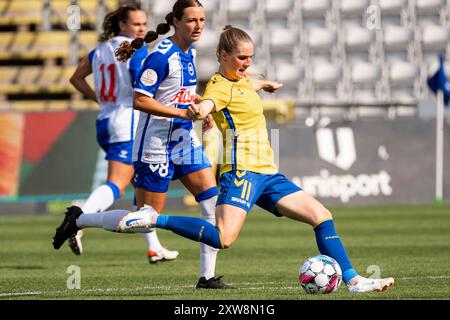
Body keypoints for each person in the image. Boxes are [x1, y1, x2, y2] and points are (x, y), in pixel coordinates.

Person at [53, 24, 394, 292]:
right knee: (223, 238)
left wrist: (265, 83)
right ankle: (155, 220)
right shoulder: (218, 86)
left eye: (251, 58)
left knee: (321, 215)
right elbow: (211, 102)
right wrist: (200, 109)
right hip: (241, 173)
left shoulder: (243, 80)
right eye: (242, 58)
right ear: (224, 55)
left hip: (268, 174)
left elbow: (247, 84)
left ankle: (353, 281)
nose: (248, 64)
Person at [55, 0, 231, 289]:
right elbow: (140, 99)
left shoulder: (191, 51)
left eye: (201, 19)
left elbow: (180, 92)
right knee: (146, 220)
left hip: (183, 139)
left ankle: (207, 277)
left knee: (212, 202)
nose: (198, 26)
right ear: (175, 21)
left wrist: (203, 109)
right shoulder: (160, 55)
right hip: (154, 144)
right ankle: (80, 220)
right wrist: (181, 112)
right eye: (191, 20)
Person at [68, 5, 178, 263]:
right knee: (117, 182)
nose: (141, 28)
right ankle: (79, 218)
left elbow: (76, 78)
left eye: (143, 24)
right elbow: (141, 86)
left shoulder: (100, 50)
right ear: (122, 25)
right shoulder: (135, 49)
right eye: (136, 24)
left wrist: (102, 100)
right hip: (127, 123)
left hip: (106, 120)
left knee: (137, 186)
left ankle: (154, 248)